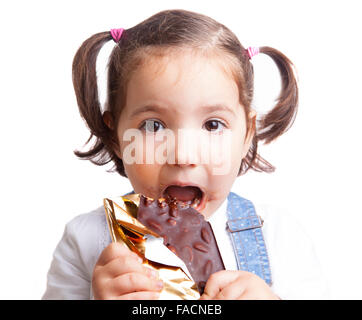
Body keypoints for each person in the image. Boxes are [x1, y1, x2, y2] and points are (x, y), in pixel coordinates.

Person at [42, 9, 329, 300]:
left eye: (212, 124)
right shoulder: (86, 242)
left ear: (246, 135)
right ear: (116, 135)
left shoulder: (281, 238)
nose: (183, 155)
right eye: (153, 126)